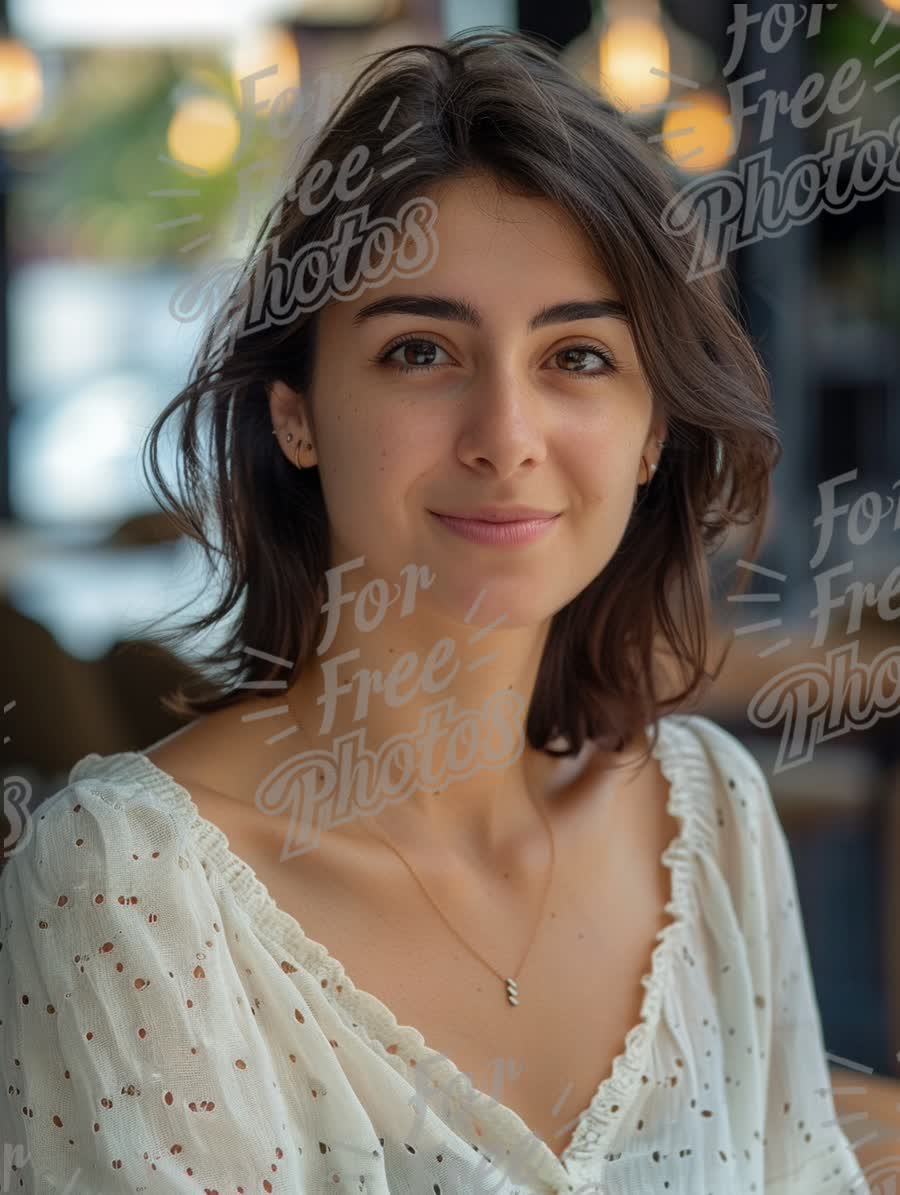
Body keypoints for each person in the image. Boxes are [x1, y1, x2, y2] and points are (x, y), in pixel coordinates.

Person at [0, 27, 870, 1195]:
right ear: (296, 415)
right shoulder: (133, 884)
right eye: (422, 349)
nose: (505, 437)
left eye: (578, 356)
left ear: (655, 430)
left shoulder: (708, 817)